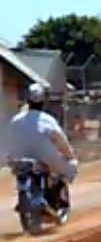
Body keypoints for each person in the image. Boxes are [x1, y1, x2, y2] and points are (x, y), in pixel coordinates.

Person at [7, 83, 78, 213]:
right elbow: (61, 141)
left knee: (21, 172)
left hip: (20, 158)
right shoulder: (47, 120)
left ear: (28, 100)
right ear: (43, 102)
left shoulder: (16, 120)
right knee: (70, 166)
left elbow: (9, 140)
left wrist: (10, 157)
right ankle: (59, 199)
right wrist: (69, 155)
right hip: (46, 158)